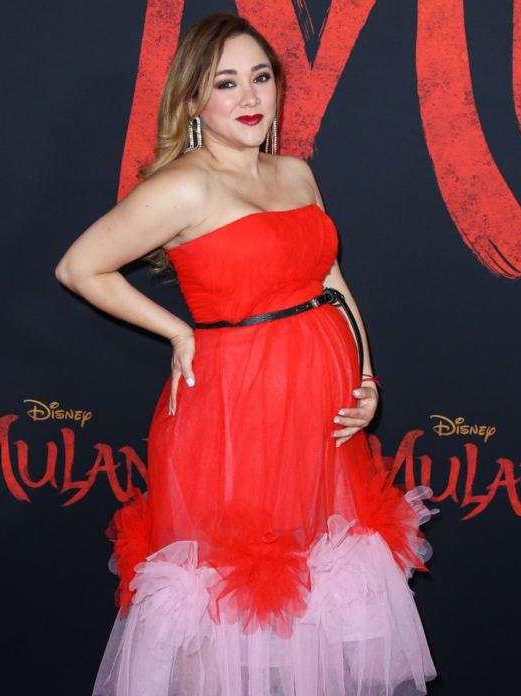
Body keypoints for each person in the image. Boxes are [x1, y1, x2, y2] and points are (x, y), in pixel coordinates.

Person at [55, 13, 435, 696]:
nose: (250, 97)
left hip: (322, 423)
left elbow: (331, 282)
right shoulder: (185, 186)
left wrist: (366, 378)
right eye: (226, 83)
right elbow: (80, 267)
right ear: (193, 100)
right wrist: (176, 331)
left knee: (317, 597)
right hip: (232, 422)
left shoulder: (297, 174)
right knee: (232, 605)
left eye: (261, 77)